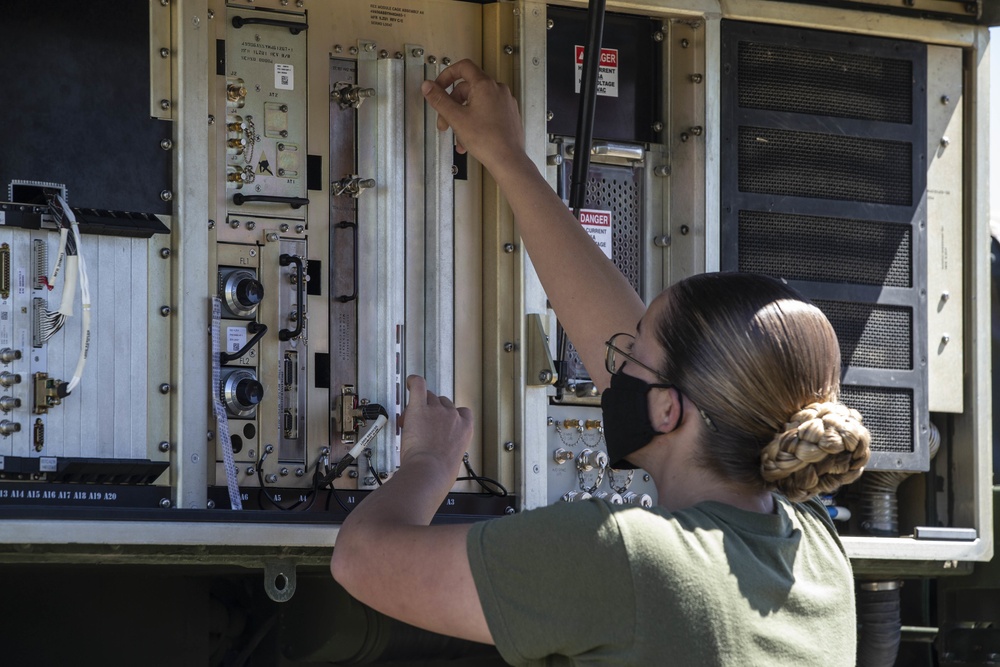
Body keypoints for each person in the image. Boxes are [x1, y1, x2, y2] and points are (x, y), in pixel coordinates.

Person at [331, 59, 871, 666]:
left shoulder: (624, 555)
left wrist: (429, 462)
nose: (613, 361)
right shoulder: (817, 549)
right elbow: (618, 330)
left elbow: (362, 559)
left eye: (632, 351)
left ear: (668, 409)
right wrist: (508, 157)